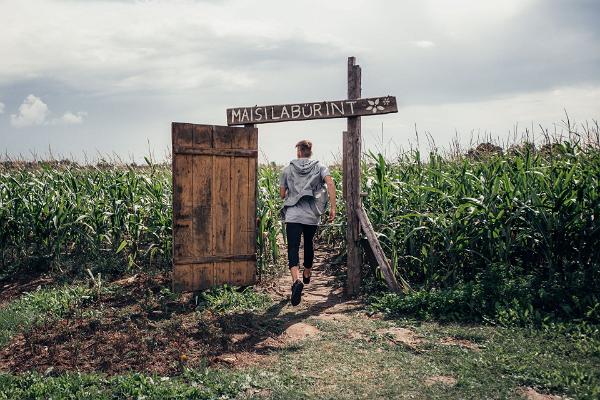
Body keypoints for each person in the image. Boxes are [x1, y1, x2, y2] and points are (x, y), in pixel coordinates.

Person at [279, 140, 336, 306]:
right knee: (309, 244)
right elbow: (330, 183)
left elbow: (282, 194)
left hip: (293, 215)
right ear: (310, 152)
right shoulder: (320, 167)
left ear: (298, 152)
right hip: (311, 214)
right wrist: (333, 207)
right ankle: (307, 272)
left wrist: (292, 190)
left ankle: (296, 281)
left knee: (293, 247)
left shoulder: (287, 169)